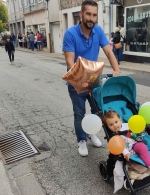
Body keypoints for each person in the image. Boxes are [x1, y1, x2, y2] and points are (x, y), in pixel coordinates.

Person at [62, 0, 120, 157]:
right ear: (81, 14)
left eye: (94, 15)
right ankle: (81, 140)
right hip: (76, 80)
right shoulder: (70, 34)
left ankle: (91, 133)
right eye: (88, 14)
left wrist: (116, 70)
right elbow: (70, 61)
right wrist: (83, 82)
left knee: (97, 110)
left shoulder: (98, 31)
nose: (91, 18)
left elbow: (109, 52)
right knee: (79, 113)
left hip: (93, 79)